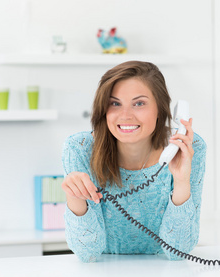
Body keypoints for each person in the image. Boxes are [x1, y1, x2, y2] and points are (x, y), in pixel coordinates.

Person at [61, 61, 206, 262]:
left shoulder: (189, 147)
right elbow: (88, 253)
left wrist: (181, 182)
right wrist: (75, 197)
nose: (126, 115)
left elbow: (177, 252)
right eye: (115, 103)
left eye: (139, 103)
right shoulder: (80, 149)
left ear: (161, 108)